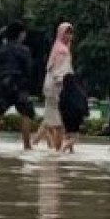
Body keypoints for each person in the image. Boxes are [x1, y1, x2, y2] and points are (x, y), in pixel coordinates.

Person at [0, 21, 37, 150]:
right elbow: (29, 69)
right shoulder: (24, 50)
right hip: (20, 85)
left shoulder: (0, 49)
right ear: (20, 34)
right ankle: (27, 146)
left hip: (2, 85)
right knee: (25, 114)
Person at [40, 23, 75, 151]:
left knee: (52, 120)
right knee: (59, 123)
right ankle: (59, 151)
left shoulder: (57, 47)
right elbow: (59, 72)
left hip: (50, 87)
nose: (69, 36)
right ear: (61, 33)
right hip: (57, 88)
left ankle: (55, 147)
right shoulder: (62, 50)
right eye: (67, 32)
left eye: (71, 33)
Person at [58, 73, 89, 153]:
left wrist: (61, 114)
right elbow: (84, 103)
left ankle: (71, 150)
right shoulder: (79, 91)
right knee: (75, 137)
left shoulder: (63, 91)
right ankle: (64, 148)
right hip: (76, 116)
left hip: (65, 116)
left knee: (68, 133)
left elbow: (60, 104)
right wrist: (86, 114)